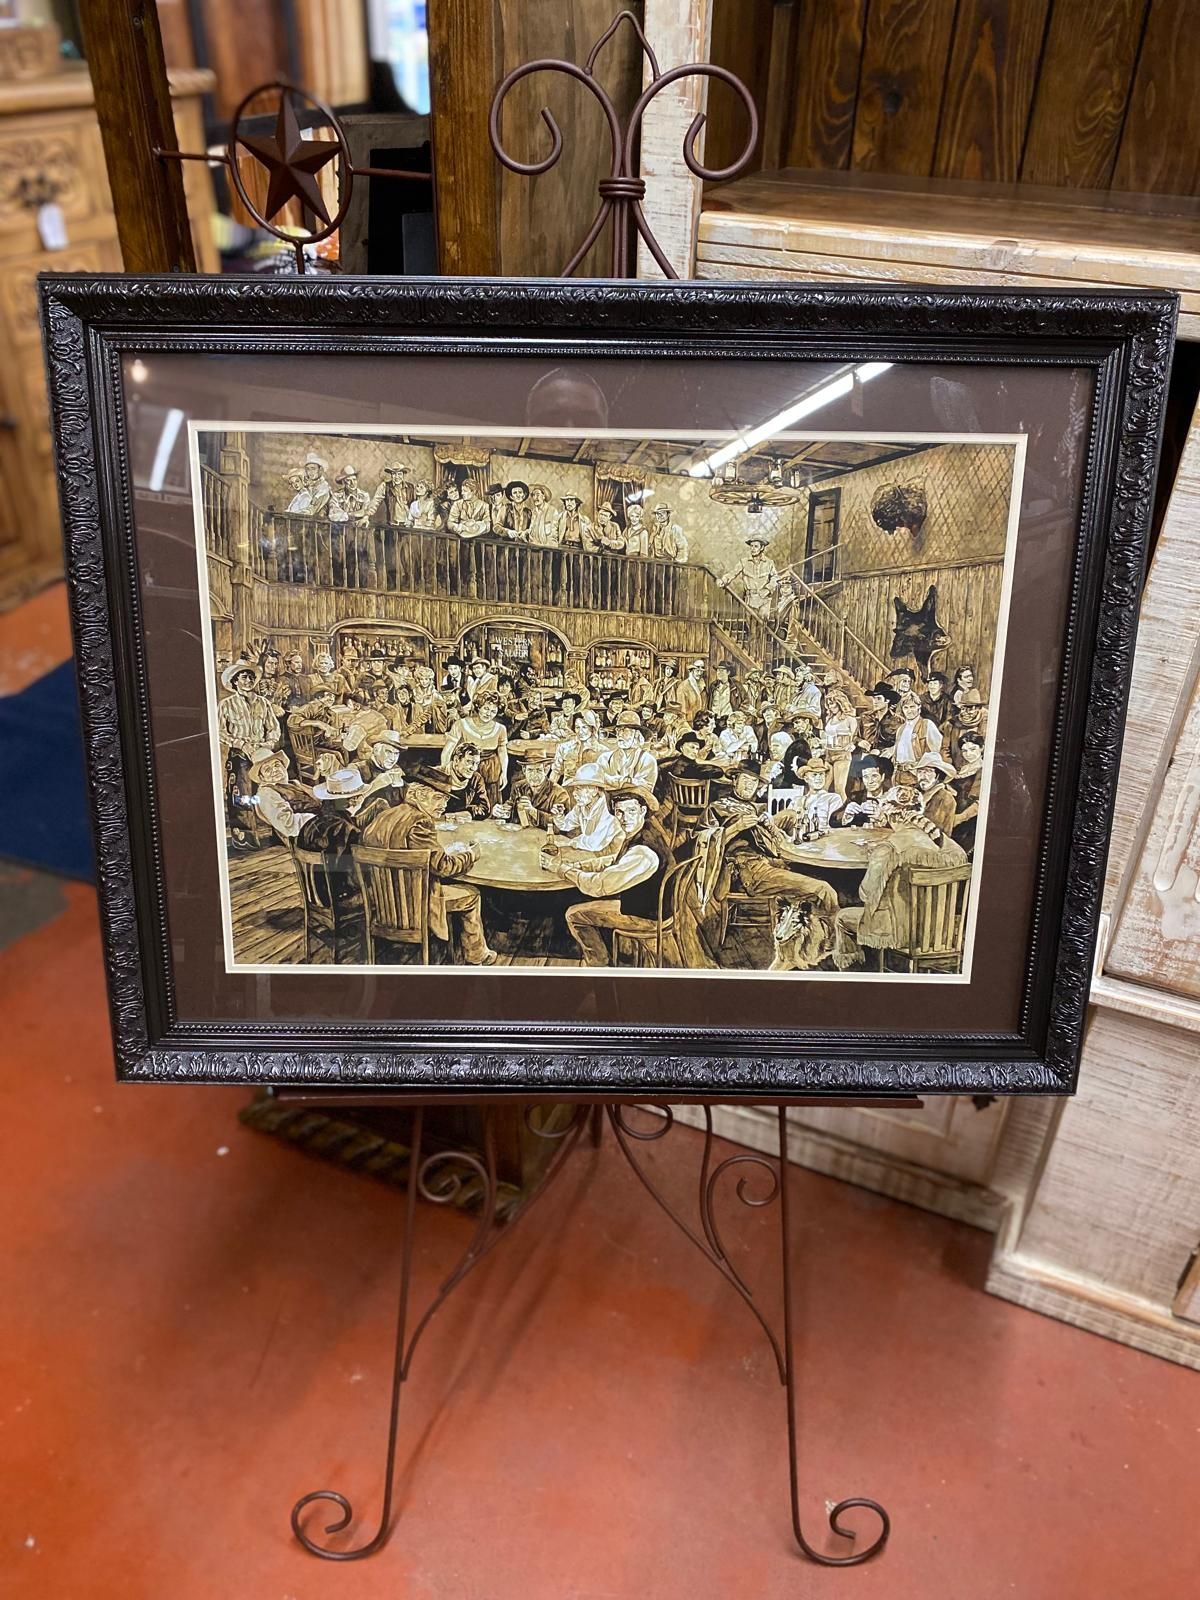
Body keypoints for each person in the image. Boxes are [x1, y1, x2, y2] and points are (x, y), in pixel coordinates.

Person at [361, 772, 497, 965]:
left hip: (384, 904)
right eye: (438, 798)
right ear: (417, 795)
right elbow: (443, 866)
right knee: (471, 894)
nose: (444, 805)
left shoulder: (383, 816)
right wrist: (471, 855)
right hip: (415, 905)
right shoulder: (421, 823)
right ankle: (477, 954)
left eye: (446, 799)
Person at [835, 807, 968, 970]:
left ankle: (856, 975)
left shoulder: (889, 848)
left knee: (842, 918)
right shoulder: (943, 844)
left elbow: (866, 893)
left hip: (900, 933)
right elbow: (961, 861)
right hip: (940, 931)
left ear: (893, 817)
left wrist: (874, 859)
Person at [563, 794, 676, 966]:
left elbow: (599, 886)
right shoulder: (644, 831)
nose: (624, 818)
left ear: (642, 811)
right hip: (650, 906)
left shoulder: (643, 852)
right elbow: (617, 862)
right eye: (619, 812)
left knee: (574, 914)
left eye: (631, 811)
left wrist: (564, 871)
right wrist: (583, 865)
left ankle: (599, 965)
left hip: (648, 917)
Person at [217, 662, 281, 845]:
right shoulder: (226, 704)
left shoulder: (263, 702)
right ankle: (247, 840)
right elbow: (221, 731)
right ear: (235, 681)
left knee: (272, 790)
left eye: (251, 677)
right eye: (244, 677)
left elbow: (273, 728)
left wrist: (269, 743)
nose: (249, 680)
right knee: (243, 795)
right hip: (240, 754)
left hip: (263, 753)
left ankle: (278, 835)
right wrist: (241, 744)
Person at [442, 694, 509, 805]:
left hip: (491, 772)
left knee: (489, 806)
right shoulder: (461, 724)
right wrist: (445, 770)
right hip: (468, 770)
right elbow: (448, 749)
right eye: (486, 708)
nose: (489, 714)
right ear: (478, 707)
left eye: (493, 711)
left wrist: (504, 773)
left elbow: (502, 752)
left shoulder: (501, 729)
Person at [549, 763, 622, 856]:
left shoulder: (609, 811)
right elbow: (566, 825)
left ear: (594, 790)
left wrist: (570, 843)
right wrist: (559, 816)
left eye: (579, 789)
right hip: (590, 854)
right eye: (575, 789)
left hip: (606, 858)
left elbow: (593, 844)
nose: (574, 793)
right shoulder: (581, 807)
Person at [247, 748, 315, 843]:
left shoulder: (293, 783)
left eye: (277, 765)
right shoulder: (266, 794)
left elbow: (317, 795)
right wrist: (317, 820)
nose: (274, 770)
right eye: (267, 769)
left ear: (284, 767)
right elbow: (288, 825)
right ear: (261, 777)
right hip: (306, 835)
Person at [594, 709, 659, 802]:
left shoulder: (647, 760)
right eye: (618, 730)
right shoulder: (605, 758)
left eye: (625, 731)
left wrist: (613, 782)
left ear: (636, 734)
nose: (619, 734)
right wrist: (629, 782)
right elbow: (599, 784)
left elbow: (645, 790)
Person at [718, 535, 779, 621]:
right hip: (750, 600)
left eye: (756, 546)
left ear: (762, 548)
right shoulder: (744, 562)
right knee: (751, 627)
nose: (753, 549)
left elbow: (775, 578)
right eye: (751, 546)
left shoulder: (769, 563)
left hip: (764, 600)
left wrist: (768, 589)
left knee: (762, 627)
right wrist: (723, 580)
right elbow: (733, 573)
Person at [499, 755, 565, 828]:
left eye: (538, 770)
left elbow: (561, 827)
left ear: (546, 770)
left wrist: (533, 811)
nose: (534, 775)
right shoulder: (518, 786)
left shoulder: (559, 793)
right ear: (524, 770)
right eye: (530, 770)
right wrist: (501, 810)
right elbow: (510, 805)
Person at [549, 709, 603, 786]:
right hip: (568, 790)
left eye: (584, 727)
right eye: (577, 727)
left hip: (590, 793)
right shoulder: (564, 748)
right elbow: (555, 773)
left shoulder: (601, 750)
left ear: (592, 728)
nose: (580, 732)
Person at [891, 691, 945, 767]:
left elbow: (938, 751)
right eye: (906, 707)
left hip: (919, 772)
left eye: (912, 707)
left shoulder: (927, 724)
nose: (909, 711)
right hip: (900, 773)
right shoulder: (900, 729)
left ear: (919, 707)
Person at [952, 731, 985, 853]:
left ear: (981, 748)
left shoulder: (982, 770)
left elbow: (979, 803)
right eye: (965, 751)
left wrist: (959, 818)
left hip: (967, 820)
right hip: (953, 815)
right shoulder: (961, 769)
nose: (969, 754)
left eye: (973, 749)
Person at [822, 687, 858, 798]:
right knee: (824, 787)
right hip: (829, 753)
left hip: (842, 755)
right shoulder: (829, 718)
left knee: (839, 788)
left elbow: (855, 737)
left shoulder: (850, 719)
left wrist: (852, 745)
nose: (831, 707)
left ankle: (843, 812)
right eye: (829, 704)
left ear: (840, 703)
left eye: (833, 704)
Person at [838, 754, 892, 825]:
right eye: (866, 777)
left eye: (874, 776)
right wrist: (846, 814)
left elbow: (903, 827)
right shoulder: (855, 797)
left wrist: (883, 819)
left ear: (882, 777)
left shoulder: (892, 797)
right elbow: (833, 821)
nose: (870, 781)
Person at [912, 753, 958, 835]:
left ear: (938, 775)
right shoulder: (912, 792)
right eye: (920, 771)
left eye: (929, 771)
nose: (923, 776)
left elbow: (937, 829)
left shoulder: (945, 798)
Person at [796, 758, 844, 835]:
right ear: (806, 778)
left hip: (821, 839)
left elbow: (834, 827)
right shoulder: (797, 800)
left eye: (821, 774)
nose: (819, 778)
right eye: (814, 775)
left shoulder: (833, 798)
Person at [443, 744, 492, 818]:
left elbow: (484, 809)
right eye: (469, 762)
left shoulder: (476, 779)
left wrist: (458, 815)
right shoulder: (437, 775)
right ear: (456, 760)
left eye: (477, 763)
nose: (474, 768)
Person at [671, 658, 708, 723]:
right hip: (688, 722)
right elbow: (682, 711)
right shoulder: (683, 686)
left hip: (701, 723)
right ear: (692, 671)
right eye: (697, 671)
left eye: (701, 671)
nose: (699, 673)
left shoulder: (703, 686)